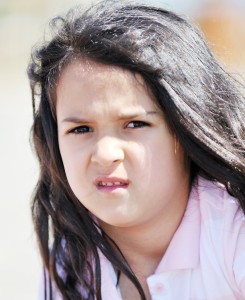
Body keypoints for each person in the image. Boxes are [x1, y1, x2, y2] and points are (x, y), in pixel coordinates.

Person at [27, 1, 245, 299]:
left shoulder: (233, 232)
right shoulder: (72, 262)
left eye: (134, 124)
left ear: (184, 128)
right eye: (80, 129)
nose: (105, 154)